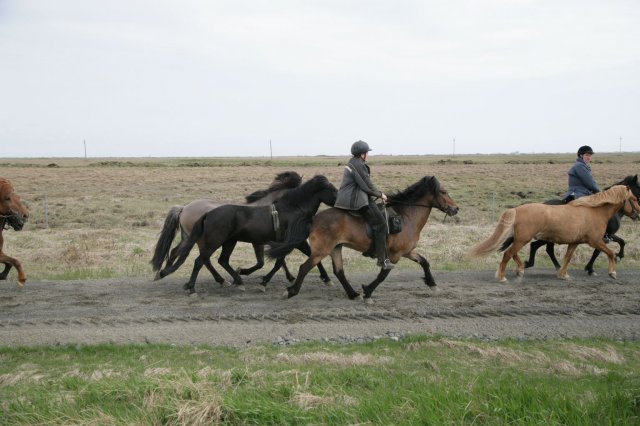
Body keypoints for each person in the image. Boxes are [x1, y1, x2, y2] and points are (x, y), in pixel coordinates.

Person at [335, 140, 394, 270]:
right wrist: (380, 194)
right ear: (362, 154)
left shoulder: (355, 163)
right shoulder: (358, 165)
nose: (368, 155)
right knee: (381, 224)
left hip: (355, 196)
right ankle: (382, 260)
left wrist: (378, 194)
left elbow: (366, 184)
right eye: (367, 152)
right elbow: (366, 185)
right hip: (354, 199)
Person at [563, 145, 612, 242]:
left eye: (590, 155)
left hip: (584, 192)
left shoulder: (583, 166)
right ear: (581, 156)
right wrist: (602, 194)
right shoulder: (579, 166)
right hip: (578, 193)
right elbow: (590, 183)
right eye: (587, 155)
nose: (589, 157)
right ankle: (597, 233)